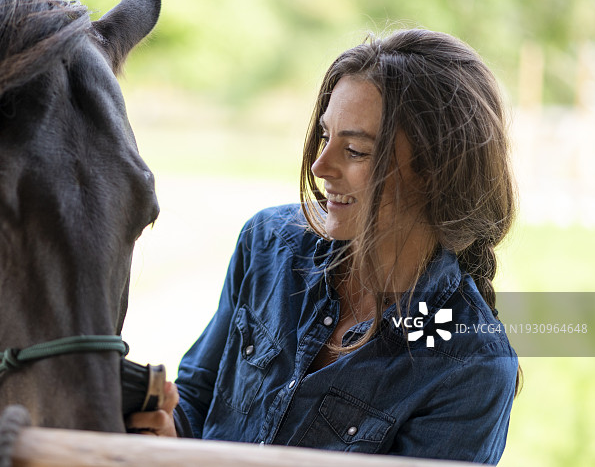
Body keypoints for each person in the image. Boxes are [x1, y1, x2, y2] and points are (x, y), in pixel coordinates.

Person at [125, 28, 520, 465]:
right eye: (324, 136)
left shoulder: (471, 368)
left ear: (436, 171)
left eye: (354, 150)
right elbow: (197, 400)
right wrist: (168, 430)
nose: (320, 166)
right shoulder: (268, 244)